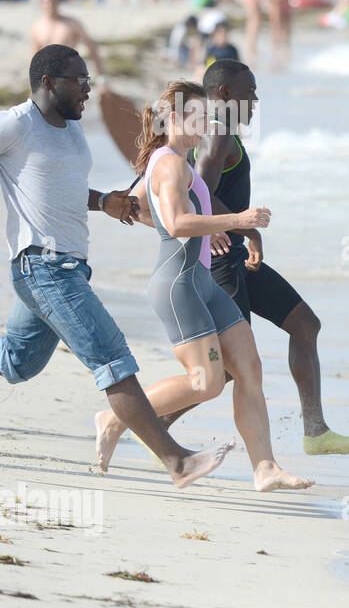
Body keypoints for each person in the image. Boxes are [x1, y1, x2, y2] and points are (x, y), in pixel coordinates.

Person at [2, 46, 231, 488]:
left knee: (17, 363)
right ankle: (177, 462)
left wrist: (102, 201)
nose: (89, 90)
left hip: (69, 267)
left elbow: (59, 187)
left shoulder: (70, 130)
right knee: (112, 357)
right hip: (44, 267)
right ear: (49, 82)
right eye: (80, 81)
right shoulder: (16, 124)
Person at [95, 82, 312, 490]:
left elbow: (138, 207)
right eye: (198, 118)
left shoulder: (172, 160)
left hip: (202, 281)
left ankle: (265, 468)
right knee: (207, 383)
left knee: (249, 368)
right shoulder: (170, 165)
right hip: (179, 286)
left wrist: (203, 228)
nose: (206, 126)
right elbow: (175, 223)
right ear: (174, 119)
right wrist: (234, 220)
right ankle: (114, 417)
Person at [178, 60, 349, 456]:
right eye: (250, 92)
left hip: (234, 252)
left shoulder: (221, 131)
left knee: (305, 324)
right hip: (221, 260)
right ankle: (152, 423)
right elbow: (199, 193)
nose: (256, 100)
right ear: (225, 93)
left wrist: (245, 232)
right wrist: (234, 228)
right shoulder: (218, 133)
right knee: (228, 367)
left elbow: (199, 188)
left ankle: (315, 431)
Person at [30, 0, 105, 83]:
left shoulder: (72, 24)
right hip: (47, 77)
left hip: (70, 75)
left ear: (59, 2)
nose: (50, 5)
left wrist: (102, 79)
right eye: (46, 2)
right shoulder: (37, 27)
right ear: (41, 3)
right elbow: (35, 57)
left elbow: (92, 49)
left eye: (53, 1)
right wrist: (33, 83)